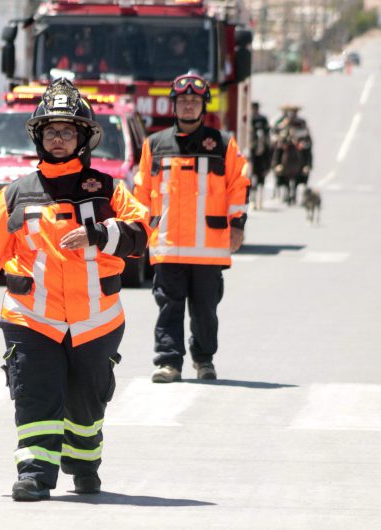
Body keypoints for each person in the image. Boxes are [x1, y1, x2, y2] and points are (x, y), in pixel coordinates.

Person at [0, 78, 149, 501]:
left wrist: (97, 234)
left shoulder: (110, 189)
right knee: (35, 395)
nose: (58, 139)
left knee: (86, 405)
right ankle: (35, 473)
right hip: (31, 320)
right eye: (50, 131)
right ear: (39, 137)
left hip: (96, 323)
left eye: (67, 131)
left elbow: (140, 233)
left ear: (83, 137)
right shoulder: (14, 194)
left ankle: (83, 462)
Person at [133, 72, 249, 383]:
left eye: (193, 101)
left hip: (208, 249)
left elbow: (239, 186)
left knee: (205, 313)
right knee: (169, 308)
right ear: (173, 105)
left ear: (203, 106)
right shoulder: (154, 144)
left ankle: (204, 359)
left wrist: (237, 225)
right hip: (168, 245)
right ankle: (169, 363)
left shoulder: (222, 144)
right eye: (182, 101)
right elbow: (142, 193)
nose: (187, 106)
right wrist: (139, 231)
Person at [271, 105, 312, 205]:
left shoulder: (301, 122)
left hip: (298, 144)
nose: (292, 114)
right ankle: (277, 165)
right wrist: (283, 135)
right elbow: (276, 131)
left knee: (306, 150)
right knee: (278, 149)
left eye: (294, 112)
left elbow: (306, 134)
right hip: (286, 143)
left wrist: (300, 140)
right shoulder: (283, 121)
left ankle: (306, 166)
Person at [249, 101, 272, 210]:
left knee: (271, 148)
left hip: (262, 141)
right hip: (251, 142)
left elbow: (267, 130)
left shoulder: (263, 119)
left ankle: (269, 165)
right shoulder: (249, 118)